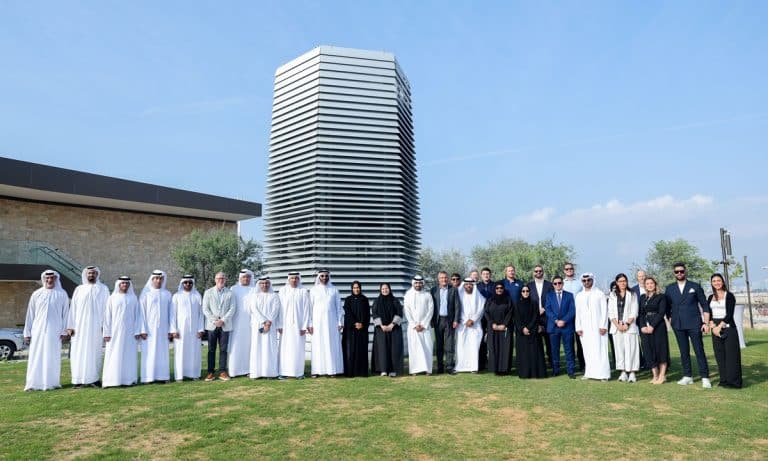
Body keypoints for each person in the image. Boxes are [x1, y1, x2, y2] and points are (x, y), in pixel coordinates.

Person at [665, 262, 712, 388]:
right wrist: (670, 319)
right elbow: (667, 307)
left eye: (681, 271)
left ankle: (705, 377)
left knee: (699, 350)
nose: (679, 273)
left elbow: (705, 305)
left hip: (694, 323)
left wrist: (706, 323)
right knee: (683, 351)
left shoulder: (695, 286)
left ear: (685, 271)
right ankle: (687, 376)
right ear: (674, 273)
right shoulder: (669, 288)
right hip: (678, 324)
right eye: (677, 271)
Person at [23, 270, 70, 391]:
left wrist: (64, 331)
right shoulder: (36, 294)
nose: (49, 280)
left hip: (55, 332)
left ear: (56, 279)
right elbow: (30, 314)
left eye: (52, 278)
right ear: (44, 279)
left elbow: (66, 314)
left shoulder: (62, 294)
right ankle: (33, 384)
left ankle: (51, 383)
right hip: (37, 331)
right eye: (47, 278)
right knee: (36, 356)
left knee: (52, 356)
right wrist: (27, 332)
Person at [67, 265, 109, 388]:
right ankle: (78, 380)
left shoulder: (103, 289)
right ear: (86, 275)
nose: (91, 275)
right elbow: (73, 308)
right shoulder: (79, 289)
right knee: (78, 352)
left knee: (94, 352)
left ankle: (94, 379)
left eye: (93, 273)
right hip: (79, 327)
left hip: (96, 327)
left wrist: (105, 326)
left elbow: (107, 309)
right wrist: (70, 326)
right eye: (89, 273)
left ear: (97, 275)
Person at [102, 276, 143, 388]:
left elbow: (137, 316)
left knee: (129, 355)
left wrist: (137, 331)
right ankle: (111, 381)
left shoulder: (133, 298)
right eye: (123, 283)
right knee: (114, 355)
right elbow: (107, 317)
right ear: (119, 284)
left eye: (127, 283)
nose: (125, 285)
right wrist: (106, 333)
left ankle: (128, 379)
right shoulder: (112, 298)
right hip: (114, 333)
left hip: (130, 333)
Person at [707, 273, 742, 388]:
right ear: (711, 283)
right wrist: (712, 325)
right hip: (715, 328)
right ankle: (724, 380)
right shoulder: (710, 297)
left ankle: (734, 382)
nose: (716, 283)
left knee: (732, 356)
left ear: (722, 282)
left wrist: (719, 327)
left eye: (719, 280)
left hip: (728, 328)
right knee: (720, 355)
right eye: (714, 281)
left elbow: (729, 314)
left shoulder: (729, 296)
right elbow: (709, 313)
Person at [574, 273, 610, 381]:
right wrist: (578, 327)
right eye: (584, 281)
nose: (586, 282)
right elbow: (578, 312)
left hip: (598, 328)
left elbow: (604, 311)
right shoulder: (579, 296)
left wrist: (603, 326)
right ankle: (589, 373)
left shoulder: (600, 294)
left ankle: (603, 375)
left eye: (588, 280)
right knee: (587, 350)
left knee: (600, 350)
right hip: (585, 328)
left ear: (593, 280)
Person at [139, 270, 172, 384]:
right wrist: (142, 330)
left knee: (162, 353)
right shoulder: (145, 294)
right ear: (152, 279)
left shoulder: (167, 294)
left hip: (163, 329)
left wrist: (171, 329)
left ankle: (162, 376)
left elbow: (171, 313)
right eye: (156, 278)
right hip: (149, 330)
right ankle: (148, 378)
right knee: (149, 353)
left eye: (160, 278)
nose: (158, 280)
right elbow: (141, 313)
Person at [309, 269, 344, 377]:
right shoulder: (313, 290)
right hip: (317, 324)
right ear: (319, 277)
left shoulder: (334, 290)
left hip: (331, 323)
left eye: (326, 276)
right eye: (322, 276)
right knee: (318, 345)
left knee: (331, 345)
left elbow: (339, 307)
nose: (324, 278)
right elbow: (309, 308)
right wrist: (310, 324)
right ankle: (316, 371)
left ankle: (332, 370)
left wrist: (340, 322)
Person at [170, 275, 205, 381]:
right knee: (180, 352)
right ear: (182, 283)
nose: (188, 284)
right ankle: (180, 376)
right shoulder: (176, 296)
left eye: (190, 282)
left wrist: (201, 329)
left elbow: (201, 314)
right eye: (185, 282)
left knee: (194, 352)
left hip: (195, 330)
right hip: (180, 330)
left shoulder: (197, 295)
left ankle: (194, 374)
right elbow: (172, 315)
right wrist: (173, 330)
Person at [245, 276, 281, 379]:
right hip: (257, 324)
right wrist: (264, 321)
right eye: (262, 283)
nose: (264, 285)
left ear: (269, 284)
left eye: (266, 283)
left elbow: (276, 309)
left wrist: (269, 322)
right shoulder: (254, 296)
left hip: (271, 326)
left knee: (269, 348)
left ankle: (270, 373)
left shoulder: (274, 296)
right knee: (257, 347)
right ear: (259, 284)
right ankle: (256, 373)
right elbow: (254, 309)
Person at [202, 272, 236, 382]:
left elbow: (232, 308)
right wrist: (214, 320)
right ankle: (210, 372)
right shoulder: (208, 292)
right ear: (215, 279)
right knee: (211, 349)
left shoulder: (230, 293)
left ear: (225, 280)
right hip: (212, 325)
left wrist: (223, 320)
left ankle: (222, 371)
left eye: (223, 278)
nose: (221, 280)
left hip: (225, 325)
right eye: (219, 278)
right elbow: (205, 309)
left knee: (223, 349)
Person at [278, 272, 311, 379]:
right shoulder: (283, 290)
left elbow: (306, 310)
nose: (294, 280)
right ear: (288, 279)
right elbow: (279, 309)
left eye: (296, 278)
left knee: (298, 349)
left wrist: (304, 326)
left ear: (299, 279)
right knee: (285, 349)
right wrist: (279, 325)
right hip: (285, 326)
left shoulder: (303, 291)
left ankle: (298, 373)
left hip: (299, 326)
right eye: (292, 278)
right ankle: (283, 372)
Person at [608, 273, 639, 383]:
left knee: (631, 349)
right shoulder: (612, 295)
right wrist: (618, 325)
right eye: (620, 281)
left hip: (629, 327)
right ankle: (623, 372)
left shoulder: (632, 294)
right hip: (617, 327)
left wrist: (627, 324)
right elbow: (611, 312)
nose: (622, 283)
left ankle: (632, 372)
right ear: (617, 283)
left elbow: (634, 311)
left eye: (624, 281)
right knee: (619, 349)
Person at [638, 276, 670, 384]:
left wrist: (652, 326)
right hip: (645, 327)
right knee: (648, 350)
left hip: (658, 326)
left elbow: (661, 312)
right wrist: (642, 326)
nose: (650, 285)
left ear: (655, 284)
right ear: (645, 286)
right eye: (647, 284)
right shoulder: (642, 297)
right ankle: (655, 375)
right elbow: (640, 313)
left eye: (651, 283)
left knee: (661, 350)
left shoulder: (661, 297)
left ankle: (662, 375)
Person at [545, 276, 577, 378]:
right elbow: (548, 310)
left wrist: (564, 320)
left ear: (562, 284)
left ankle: (571, 371)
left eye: (559, 283)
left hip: (567, 326)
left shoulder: (569, 295)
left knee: (569, 350)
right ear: (553, 285)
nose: (558, 285)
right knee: (554, 350)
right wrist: (556, 320)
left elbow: (572, 310)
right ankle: (556, 370)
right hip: (554, 327)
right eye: (555, 283)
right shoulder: (549, 296)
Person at [429, 271, 460, 374]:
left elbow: (457, 306)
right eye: (442, 278)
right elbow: (431, 307)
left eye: (445, 277)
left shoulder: (453, 289)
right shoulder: (433, 290)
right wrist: (431, 320)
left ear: (448, 278)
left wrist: (456, 320)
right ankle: (440, 367)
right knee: (439, 345)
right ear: (438, 279)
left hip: (449, 321)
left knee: (449, 345)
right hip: (438, 321)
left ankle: (449, 366)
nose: (444, 279)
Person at [371, 283, 404, 377]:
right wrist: (381, 325)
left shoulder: (395, 301)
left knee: (393, 350)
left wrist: (392, 325)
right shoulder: (377, 301)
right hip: (381, 329)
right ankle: (383, 370)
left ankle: (393, 370)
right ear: (380, 290)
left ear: (389, 289)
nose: (385, 290)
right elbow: (374, 314)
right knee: (382, 350)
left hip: (394, 329)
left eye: (386, 288)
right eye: (383, 289)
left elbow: (399, 313)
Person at [514, 286, 547, 378]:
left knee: (534, 353)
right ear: (521, 293)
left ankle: (535, 373)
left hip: (533, 332)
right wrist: (522, 328)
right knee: (524, 354)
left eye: (527, 291)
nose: (525, 292)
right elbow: (516, 318)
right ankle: (525, 373)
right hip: (522, 333)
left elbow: (535, 317)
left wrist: (528, 328)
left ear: (529, 292)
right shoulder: (517, 304)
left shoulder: (534, 303)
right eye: (523, 291)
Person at [404, 275, 434, 375]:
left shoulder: (427, 295)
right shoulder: (408, 295)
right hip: (413, 328)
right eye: (416, 283)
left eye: (420, 283)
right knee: (414, 349)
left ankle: (427, 369)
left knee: (427, 347)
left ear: (423, 284)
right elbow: (407, 311)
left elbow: (431, 310)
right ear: (413, 283)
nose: (418, 284)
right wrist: (415, 325)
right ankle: (415, 370)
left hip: (425, 327)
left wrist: (423, 324)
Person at [228, 269, 255, 378]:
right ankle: (234, 370)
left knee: (249, 345)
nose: (246, 279)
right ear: (240, 278)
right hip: (236, 322)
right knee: (236, 345)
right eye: (244, 277)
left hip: (251, 322)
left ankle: (249, 369)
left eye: (248, 277)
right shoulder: (234, 289)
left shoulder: (254, 289)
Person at [454, 279, 486, 373]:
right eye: (466, 284)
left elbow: (481, 309)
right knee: (461, 346)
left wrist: (473, 320)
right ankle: (460, 367)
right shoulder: (459, 295)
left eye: (470, 284)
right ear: (463, 285)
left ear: (473, 285)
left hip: (475, 325)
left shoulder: (479, 297)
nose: (468, 286)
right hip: (462, 325)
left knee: (474, 346)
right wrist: (465, 320)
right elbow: (458, 309)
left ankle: (473, 367)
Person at [484, 282, 514, 375]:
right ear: (494, 289)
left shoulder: (508, 300)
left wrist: (504, 324)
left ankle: (504, 369)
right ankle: (495, 368)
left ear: (503, 289)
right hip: (493, 327)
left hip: (505, 327)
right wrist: (492, 324)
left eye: (501, 288)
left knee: (505, 348)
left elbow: (510, 312)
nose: (499, 289)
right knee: (494, 347)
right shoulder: (490, 300)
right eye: (497, 288)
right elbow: (486, 312)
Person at [528, 265, 554, 369]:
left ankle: (552, 363)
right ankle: (538, 363)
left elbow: (552, 299)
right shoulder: (529, 285)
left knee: (549, 341)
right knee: (535, 341)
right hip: (534, 317)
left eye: (540, 271)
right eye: (536, 271)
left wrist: (544, 308)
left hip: (547, 317)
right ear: (533, 272)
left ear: (543, 272)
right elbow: (527, 300)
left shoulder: (549, 285)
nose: (538, 272)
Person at [342, 281, 370, 377]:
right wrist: (355, 323)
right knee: (351, 350)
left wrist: (362, 324)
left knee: (361, 350)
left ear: (360, 288)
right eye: (354, 288)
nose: (356, 289)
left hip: (362, 330)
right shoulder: (348, 300)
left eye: (358, 287)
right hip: (351, 330)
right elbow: (347, 313)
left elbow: (367, 314)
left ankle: (361, 372)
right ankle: (351, 372)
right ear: (352, 289)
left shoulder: (365, 299)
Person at [562, 262, 585, 372]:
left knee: (581, 341)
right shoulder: (561, 283)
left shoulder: (580, 283)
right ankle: (571, 366)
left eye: (571, 268)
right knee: (569, 342)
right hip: (567, 316)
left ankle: (583, 365)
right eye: (567, 269)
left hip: (579, 314)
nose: (569, 270)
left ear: (573, 270)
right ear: (564, 271)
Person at [631, 270, 648, 370]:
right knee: (636, 343)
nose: (642, 278)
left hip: (649, 319)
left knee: (647, 342)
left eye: (643, 276)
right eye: (640, 276)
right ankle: (640, 362)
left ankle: (648, 362)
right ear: (637, 278)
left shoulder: (650, 287)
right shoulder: (633, 290)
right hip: (636, 320)